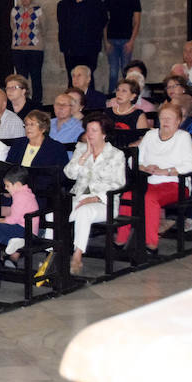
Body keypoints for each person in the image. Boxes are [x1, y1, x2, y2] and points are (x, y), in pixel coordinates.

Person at [117, 103, 192, 254]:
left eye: (169, 118)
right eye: (162, 118)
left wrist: (165, 171)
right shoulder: (151, 135)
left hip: (175, 184)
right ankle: (121, 239)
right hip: (150, 181)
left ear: (178, 121)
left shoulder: (183, 137)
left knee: (149, 198)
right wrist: (143, 167)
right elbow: (132, 159)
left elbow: (190, 165)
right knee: (128, 196)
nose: (165, 121)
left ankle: (151, 243)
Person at [63, 113, 125, 275]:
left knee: (85, 211)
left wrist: (95, 197)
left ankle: (77, 255)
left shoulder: (116, 154)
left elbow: (117, 183)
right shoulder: (81, 149)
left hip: (105, 202)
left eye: (94, 130)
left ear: (104, 134)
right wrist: (84, 156)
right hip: (78, 197)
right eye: (88, 130)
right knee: (53, 215)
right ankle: (53, 256)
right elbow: (69, 174)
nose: (89, 134)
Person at [57, 0, 108, 89]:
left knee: (88, 79)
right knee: (72, 79)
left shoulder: (97, 4)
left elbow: (103, 23)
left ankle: (90, 106)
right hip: (70, 51)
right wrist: (64, 47)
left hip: (89, 50)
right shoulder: (63, 5)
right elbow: (62, 26)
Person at [0, 167, 39, 265]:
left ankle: (13, 241)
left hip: (23, 231)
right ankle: (9, 241)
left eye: (7, 185)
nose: (5, 188)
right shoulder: (26, 193)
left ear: (17, 185)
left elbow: (12, 220)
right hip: (25, 230)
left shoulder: (20, 197)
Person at [103, 0, 142, 93]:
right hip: (112, 40)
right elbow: (104, 22)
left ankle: (128, 96)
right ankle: (111, 98)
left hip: (126, 40)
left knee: (126, 72)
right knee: (113, 72)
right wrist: (106, 42)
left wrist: (131, 42)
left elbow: (137, 22)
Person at [10, 0, 45, 103]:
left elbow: (43, 27)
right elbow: (13, 26)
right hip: (18, 49)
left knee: (36, 77)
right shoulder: (15, 10)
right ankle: (22, 101)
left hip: (35, 49)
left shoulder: (38, 10)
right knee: (21, 79)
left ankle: (37, 102)